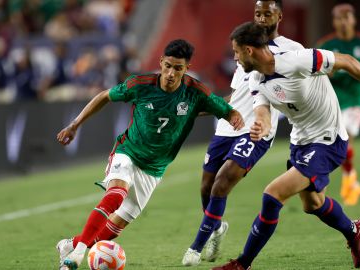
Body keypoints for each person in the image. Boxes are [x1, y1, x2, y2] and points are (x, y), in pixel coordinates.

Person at [212, 22, 360, 270]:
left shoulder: (297, 60)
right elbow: (263, 113)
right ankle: (354, 230)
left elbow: (347, 61)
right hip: (301, 141)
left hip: (328, 139)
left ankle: (242, 263)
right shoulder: (255, 79)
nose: (234, 58)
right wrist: (260, 127)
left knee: (272, 194)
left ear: (249, 50)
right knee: (313, 204)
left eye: (236, 52)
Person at [55, 39, 244, 270]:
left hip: (154, 168)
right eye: (168, 66)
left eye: (178, 68)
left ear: (186, 68)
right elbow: (104, 95)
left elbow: (226, 110)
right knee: (116, 194)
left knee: (113, 230)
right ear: (161, 62)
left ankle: (69, 244)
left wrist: (235, 117)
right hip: (128, 152)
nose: (171, 73)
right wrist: (75, 124)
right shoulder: (141, 84)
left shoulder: (196, 92)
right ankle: (78, 254)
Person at [182, 0, 304, 266]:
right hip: (227, 128)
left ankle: (195, 247)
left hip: (256, 131)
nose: (261, 18)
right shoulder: (245, 48)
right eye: (257, 13)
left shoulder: (292, 51)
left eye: (267, 13)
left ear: (279, 16)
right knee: (206, 187)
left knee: (224, 181)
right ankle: (216, 228)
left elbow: (298, 88)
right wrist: (200, 108)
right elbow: (236, 95)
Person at [316, 3, 360, 205]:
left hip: (356, 98)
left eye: (346, 17)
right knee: (336, 141)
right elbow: (317, 67)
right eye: (338, 18)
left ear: (353, 20)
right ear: (333, 21)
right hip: (333, 99)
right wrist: (326, 72)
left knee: (345, 137)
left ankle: (347, 179)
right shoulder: (326, 44)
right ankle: (350, 178)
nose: (343, 22)